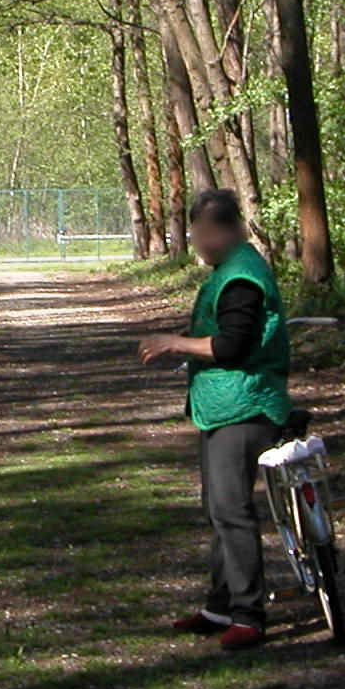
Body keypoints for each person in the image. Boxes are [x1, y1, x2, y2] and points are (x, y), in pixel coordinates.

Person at [137, 189, 292, 651]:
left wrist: (175, 343)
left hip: (245, 408)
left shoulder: (242, 277)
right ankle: (220, 605)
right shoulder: (231, 272)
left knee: (232, 511)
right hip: (223, 407)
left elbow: (232, 345)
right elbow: (220, 330)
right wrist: (185, 337)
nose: (196, 242)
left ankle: (248, 614)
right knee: (219, 509)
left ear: (216, 229)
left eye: (197, 233)